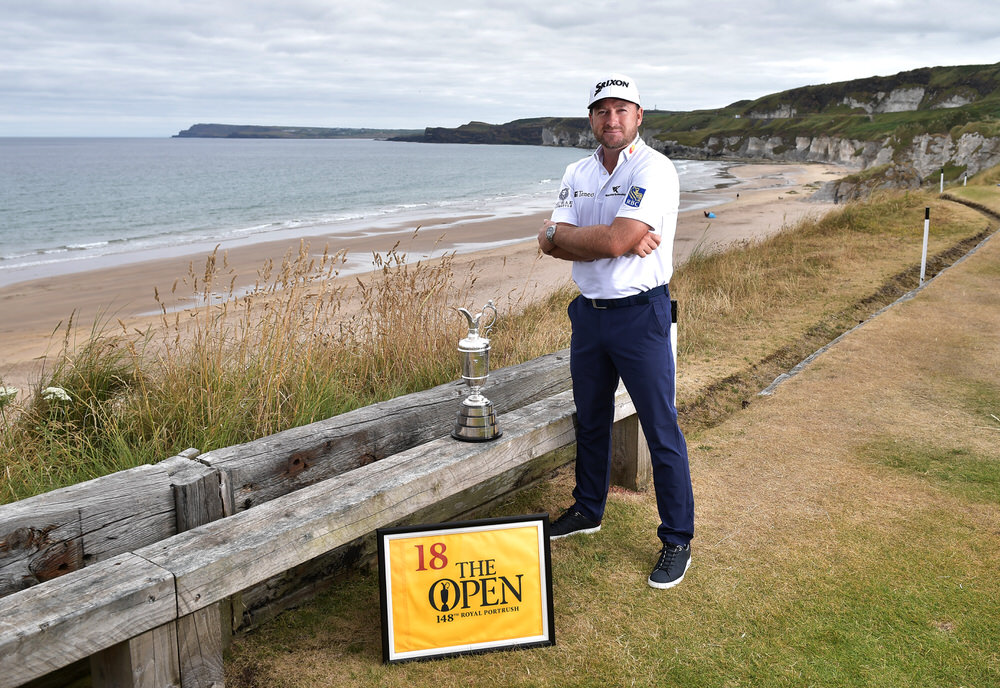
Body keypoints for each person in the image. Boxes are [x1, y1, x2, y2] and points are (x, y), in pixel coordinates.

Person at [537, 73, 694, 590]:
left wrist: (589, 238)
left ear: (639, 116)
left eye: (622, 110)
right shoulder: (576, 170)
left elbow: (604, 238)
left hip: (640, 314)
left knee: (660, 427)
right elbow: (551, 241)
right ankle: (588, 510)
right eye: (603, 111)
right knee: (592, 419)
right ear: (591, 117)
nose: (612, 119)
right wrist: (599, 239)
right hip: (589, 313)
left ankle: (677, 538)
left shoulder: (656, 168)